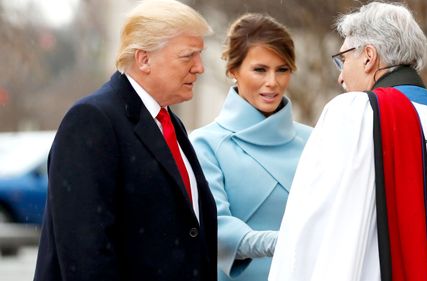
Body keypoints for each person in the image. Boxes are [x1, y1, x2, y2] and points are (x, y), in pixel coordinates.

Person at [269, 2, 427, 281]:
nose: (341, 76)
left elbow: (308, 231)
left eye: (343, 60)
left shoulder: (353, 114)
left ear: (369, 57)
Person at [33, 1, 217, 280]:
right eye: (187, 56)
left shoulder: (167, 121)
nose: (199, 67)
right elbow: (85, 252)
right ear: (143, 59)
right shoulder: (92, 119)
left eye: (199, 55)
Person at [190, 13, 312, 281]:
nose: (273, 82)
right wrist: (278, 242)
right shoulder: (204, 144)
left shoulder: (315, 141)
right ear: (233, 70)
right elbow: (215, 226)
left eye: (282, 69)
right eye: (260, 69)